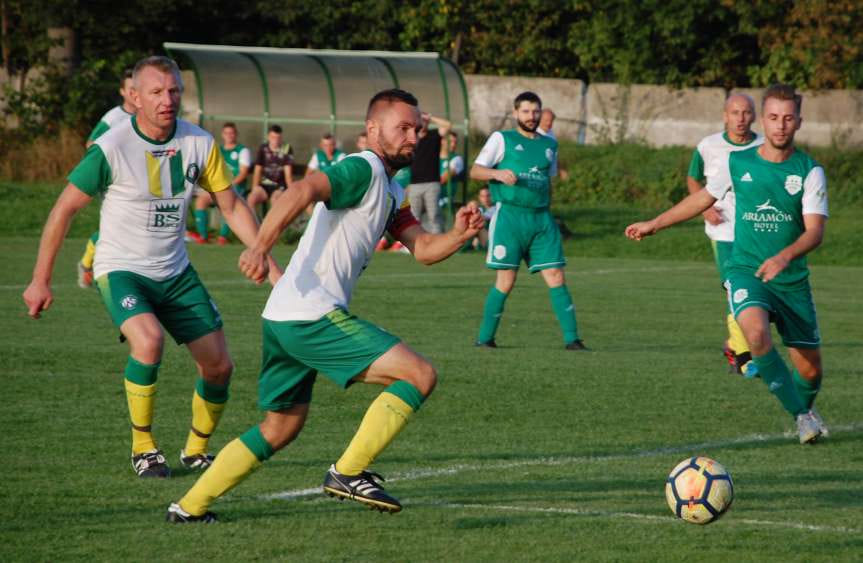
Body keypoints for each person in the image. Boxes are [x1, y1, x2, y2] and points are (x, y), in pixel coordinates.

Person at [166, 88, 484, 523]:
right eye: (403, 128)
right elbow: (301, 190)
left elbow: (424, 248)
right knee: (419, 374)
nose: (414, 136)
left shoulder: (392, 187)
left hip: (285, 315)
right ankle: (347, 472)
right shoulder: (364, 168)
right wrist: (259, 247)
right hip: (311, 313)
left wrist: (460, 236)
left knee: (280, 427)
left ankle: (189, 506)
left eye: (418, 128)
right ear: (373, 129)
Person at [23, 56, 278, 478]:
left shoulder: (200, 142)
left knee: (219, 366)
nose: (168, 100)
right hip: (122, 268)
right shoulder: (113, 147)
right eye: (157, 92)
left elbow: (230, 205)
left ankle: (196, 451)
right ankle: (144, 447)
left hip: (176, 272)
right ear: (135, 97)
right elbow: (63, 210)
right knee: (148, 341)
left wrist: (270, 265)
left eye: (174, 91)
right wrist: (39, 280)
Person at [625, 84, 829, 444]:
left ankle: (805, 407)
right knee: (755, 334)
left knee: (811, 371)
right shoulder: (739, 162)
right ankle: (801, 416)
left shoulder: (810, 171)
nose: (780, 125)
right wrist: (654, 224)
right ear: (763, 120)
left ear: (799, 121)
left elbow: (815, 232)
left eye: (787, 118)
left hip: (791, 279)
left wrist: (784, 256)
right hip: (746, 270)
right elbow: (703, 197)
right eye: (773, 118)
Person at [472, 91, 586, 350]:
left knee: (556, 275)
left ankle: (573, 340)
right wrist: (498, 174)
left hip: (541, 219)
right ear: (515, 113)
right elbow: (476, 171)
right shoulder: (502, 139)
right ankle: (485, 339)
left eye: (535, 111)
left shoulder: (549, 145)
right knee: (506, 280)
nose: (531, 116)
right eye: (525, 111)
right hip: (511, 217)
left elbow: (549, 179)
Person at [687, 94, 763, 375]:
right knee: (735, 289)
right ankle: (744, 358)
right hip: (723, 232)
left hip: (756, 232)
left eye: (746, 112)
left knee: (761, 293)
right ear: (725, 115)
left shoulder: (764, 146)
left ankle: (733, 344)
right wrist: (704, 208)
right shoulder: (708, 146)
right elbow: (693, 178)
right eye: (735, 112)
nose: (740, 118)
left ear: (754, 116)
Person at [77, 69, 136, 288]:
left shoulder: (145, 115)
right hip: (116, 180)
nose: (134, 93)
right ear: (122, 92)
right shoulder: (114, 117)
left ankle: (92, 264)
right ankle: (88, 263)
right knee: (117, 226)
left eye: (137, 88)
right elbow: (91, 144)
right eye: (130, 89)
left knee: (126, 226)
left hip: (139, 181)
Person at [189, 122, 252, 245]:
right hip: (218, 187)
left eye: (232, 133)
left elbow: (243, 173)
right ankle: (203, 236)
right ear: (223, 135)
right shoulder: (217, 149)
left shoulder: (242, 150)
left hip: (235, 187)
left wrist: (229, 186)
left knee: (227, 202)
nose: (229, 135)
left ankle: (223, 237)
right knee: (201, 201)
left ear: (236, 134)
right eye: (226, 133)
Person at [406, 112, 451, 233]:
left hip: (432, 183)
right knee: (413, 217)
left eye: (425, 121)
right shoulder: (412, 138)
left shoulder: (434, 135)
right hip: (414, 185)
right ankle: (414, 243)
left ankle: (438, 241)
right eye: (421, 120)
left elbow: (447, 125)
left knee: (434, 215)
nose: (423, 123)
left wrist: (431, 117)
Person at [247, 124, 293, 217]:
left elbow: (288, 175)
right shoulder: (263, 148)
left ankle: (273, 229)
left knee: (275, 200)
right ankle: (256, 228)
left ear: (281, 137)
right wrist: (254, 188)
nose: (275, 140)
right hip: (264, 185)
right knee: (251, 199)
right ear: (268, 137)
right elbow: (257, 170)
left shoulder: (287, 148)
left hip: (279, 186)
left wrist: (291, 191)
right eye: (273, 137)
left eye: (278, 138)